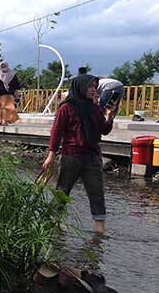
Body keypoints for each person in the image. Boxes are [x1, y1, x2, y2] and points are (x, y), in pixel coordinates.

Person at [43, 74, 115, 234]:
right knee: (63, 190)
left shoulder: (94, 108)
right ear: (80, 87)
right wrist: (51, 154)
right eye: (90, 86)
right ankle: (55, 222)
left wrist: (110, 116)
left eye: (95, 87)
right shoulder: (66, 108)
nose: (93, 90)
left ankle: (100, 230)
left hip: (92, 157)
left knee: (97, 192)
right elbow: (57, 132)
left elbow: (104, 130)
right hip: (72, 155)